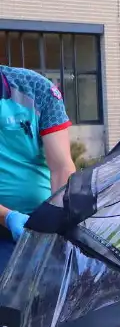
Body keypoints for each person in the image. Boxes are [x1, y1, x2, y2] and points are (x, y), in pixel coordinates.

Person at [0, 65, 76, 269]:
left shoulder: (36, 88)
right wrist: (7, 217)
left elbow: (61, 167)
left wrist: (61, 222)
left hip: (40, 221)